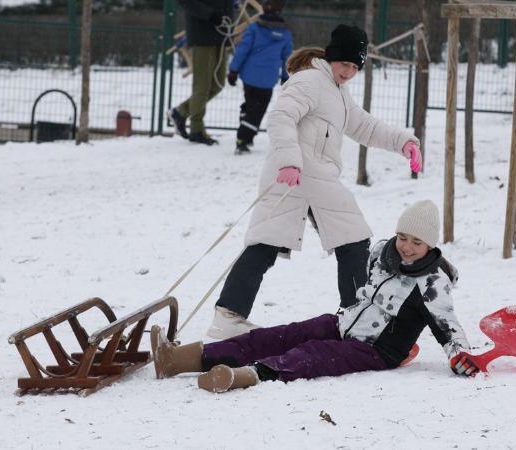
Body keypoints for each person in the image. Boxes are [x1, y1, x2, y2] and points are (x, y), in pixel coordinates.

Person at [205, 24, 423, 340]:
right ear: (332, 57)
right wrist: (289, 160)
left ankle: (355, 314)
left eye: (355, 67)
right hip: (292, 175)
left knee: (351, 238)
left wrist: (404, 142)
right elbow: (281, 117)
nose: (349, 72)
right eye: (344, 63)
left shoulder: (338, 91)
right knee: (268, 243)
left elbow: (365, 127)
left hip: (316, 179)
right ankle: (229, 316)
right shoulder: (310, 81)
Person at [152, 200, 482, 393]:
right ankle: (180, 360)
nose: (407, 246)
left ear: (430, 245)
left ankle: (242, 376)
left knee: (313, 354)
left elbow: (447, 326)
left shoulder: (432, 284)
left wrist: (460, 358)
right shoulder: (383, 253)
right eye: (403, 237)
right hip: (343, 324)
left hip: (376, 351)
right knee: (280, 335)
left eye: (417, 242)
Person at [226, 0, 292, 155]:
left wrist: (233, 70)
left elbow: (242, 49)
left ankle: (245, 126)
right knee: (257, 111)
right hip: (267, 80)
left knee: (250, 105)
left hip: (249, 76)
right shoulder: (285, 33)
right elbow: (287, 57)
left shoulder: (255, 28)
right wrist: (285, 76)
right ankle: (243, 139)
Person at [168, 0, 234, 146]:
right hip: (202, 35)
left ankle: (181, 112)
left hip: (221, 35)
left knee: (217, 84)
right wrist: (210, 14)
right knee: (202, 87)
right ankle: (196, 129)